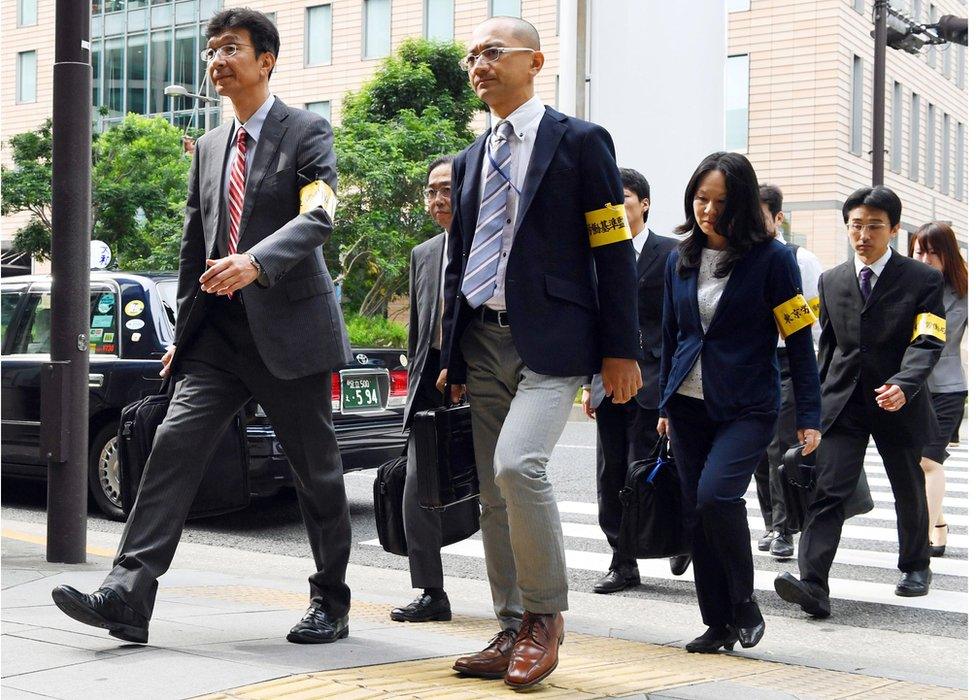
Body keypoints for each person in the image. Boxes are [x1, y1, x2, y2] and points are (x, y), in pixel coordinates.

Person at [51, 9, 354, 646]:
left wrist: (256, 262)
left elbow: (321, 215)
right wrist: (179, 340)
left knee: (316, 473)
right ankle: (129, 592)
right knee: (171, 449)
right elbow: (194, 249)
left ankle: (331, 599)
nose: (217, 60)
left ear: (266, 60)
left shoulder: (306, 131)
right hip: (217, 338)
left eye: (231, 48)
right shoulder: (211, 146)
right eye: (211, 50)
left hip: (291, 333)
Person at [441, 16, 641, 690]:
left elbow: (612, 249)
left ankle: (545, 617)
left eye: (493, 52)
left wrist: (620, 349)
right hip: (482, 339)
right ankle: (508, 624)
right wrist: (448, 351)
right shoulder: (470, 157)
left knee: (518, 466)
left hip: (553, 343)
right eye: (473, 54)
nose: (479, 64)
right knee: (493, 495)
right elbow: (459, 259)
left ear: (535, 61)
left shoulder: (580, 142)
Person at [657, 152, 821, 654]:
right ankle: (717, 622)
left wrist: (810, 416)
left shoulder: (773, 260)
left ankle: (744, 601)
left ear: (743, 204)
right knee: (697, 511)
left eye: (721, 202)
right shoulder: (678, 257)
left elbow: (798, 338)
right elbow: (672, 335)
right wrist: (664, 403)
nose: (708, 210)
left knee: (716, 496)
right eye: (701, 199)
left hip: (748, 404)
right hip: (686, 405)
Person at [776, 186, 946, 618]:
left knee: (907, 486)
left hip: (897, 400)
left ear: (893, 229)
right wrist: (811, 408)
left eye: (874, 226)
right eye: (856, 225)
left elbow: (927, 339)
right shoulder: (831, 280)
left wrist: (906, 383)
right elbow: (827, 348)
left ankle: (915, 565)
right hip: (844, 403)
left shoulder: (923, 280)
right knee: (829, 488)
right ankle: (813, 583)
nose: (863, 234)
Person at [581, 168, 681, 593]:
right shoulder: (597, 254)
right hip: (608, 384)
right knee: (609, 477)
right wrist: (590, 382)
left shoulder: (672, 253)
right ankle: (625, 555)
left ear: (644, 203)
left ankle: (639, 555)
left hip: (654, 382)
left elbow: (681, 327)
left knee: (640, 475)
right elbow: (592, 323)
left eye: (623, 198)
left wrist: (672, 398)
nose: (615, 207)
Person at [390, 155, 455, 623]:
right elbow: (417, 334)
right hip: (429, 385)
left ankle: (520, 601)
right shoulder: (425, 253)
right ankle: (432, 591)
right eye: (431, 190)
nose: (437, 199)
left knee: (501, 491)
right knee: (417, 489)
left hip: (481, 381)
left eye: (447, 189)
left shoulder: (491, 246)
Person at [753, 183, 823, 560]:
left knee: (780, 445)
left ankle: (783, 528)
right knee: (758, 448)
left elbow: (811, 325)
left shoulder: (801, 259)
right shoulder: (741, 257)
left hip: (787, 362)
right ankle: (770, 522)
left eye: (761, 215)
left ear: (779, 218)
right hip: (753, 362)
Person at [909, 222, 967, 557]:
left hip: (948, 389)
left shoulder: (964, 290)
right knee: (916, 465)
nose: (926, 259)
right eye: (920, 251)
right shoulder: (906, 286)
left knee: (929, 461)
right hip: (912, 389)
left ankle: (919, 542)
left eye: (934, 252)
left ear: (948, 254)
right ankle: (939, 525)